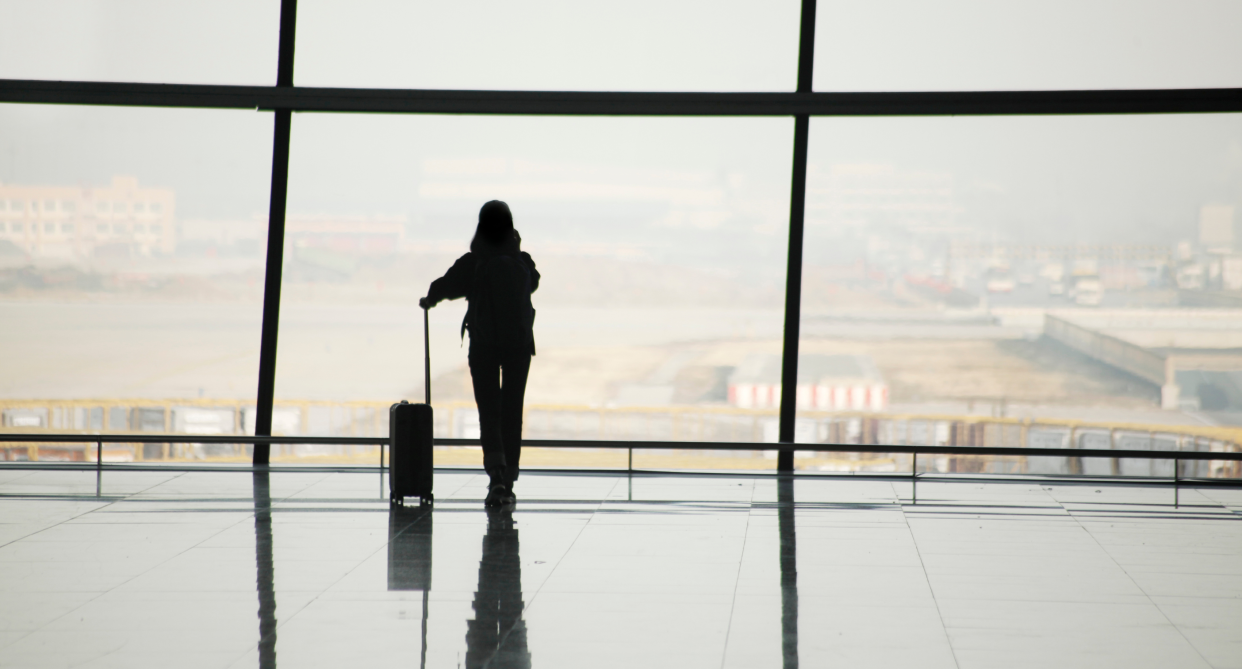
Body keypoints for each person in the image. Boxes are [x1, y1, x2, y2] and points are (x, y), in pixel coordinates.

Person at [420, 201, 538, 507]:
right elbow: (534, 283)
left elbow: (445, 286)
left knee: (489, 410)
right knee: (512, 410)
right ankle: (510, 480)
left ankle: (496, 476)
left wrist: (429, 299)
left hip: (484, 346)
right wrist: (516, 249)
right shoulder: (522, 260)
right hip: (519, 347)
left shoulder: (474, 261)